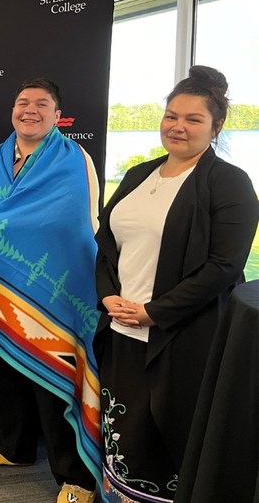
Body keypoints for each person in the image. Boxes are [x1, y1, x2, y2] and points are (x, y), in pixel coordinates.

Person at [94, 66, 259, 503]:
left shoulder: (230, 183)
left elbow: (224, 266)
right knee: (125, 435)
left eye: (193, 119)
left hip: (184, 338)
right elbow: (106, 245)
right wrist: (107, 295)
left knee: (172, 438)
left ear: (216, 126)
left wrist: (154, 312)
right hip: (122, 330)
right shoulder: (138, 174)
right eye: (171, 116)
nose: (178, 126)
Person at [0, 78, 101, 503]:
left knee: (53, 378)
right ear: (12, 110)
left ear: (57, 115)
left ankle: (76, 477)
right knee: (3, 371)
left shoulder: (73, 160)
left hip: (51, 291)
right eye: (23, 102)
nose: (30, 110)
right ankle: (15, 448)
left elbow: (71, 223)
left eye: (41, 104)